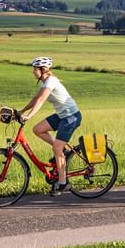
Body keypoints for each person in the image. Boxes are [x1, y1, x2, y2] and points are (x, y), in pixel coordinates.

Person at [17, 56, 82, 196]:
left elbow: (41, 100)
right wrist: (21, 111)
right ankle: (62, 151)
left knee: (56, 147)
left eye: (35, 69)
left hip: (71, 117)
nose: (33, 72)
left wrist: (29, 116)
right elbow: (35, 99)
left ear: (43, 70)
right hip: (61, 116)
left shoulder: (51, 81)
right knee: (38, 130)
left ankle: (63, 183)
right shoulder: (44, 82)